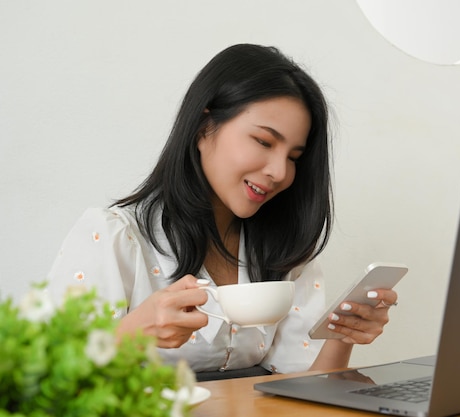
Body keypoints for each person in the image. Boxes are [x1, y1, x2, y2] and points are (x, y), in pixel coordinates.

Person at [47, 43, 398, 376]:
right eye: (263, 141)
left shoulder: (287, 255)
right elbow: (44, 385)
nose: (279, 172)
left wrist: (343, 334)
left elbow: (304, 387)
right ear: (204, 126)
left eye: (294, 157)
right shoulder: (113, 238)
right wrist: (130, 334)